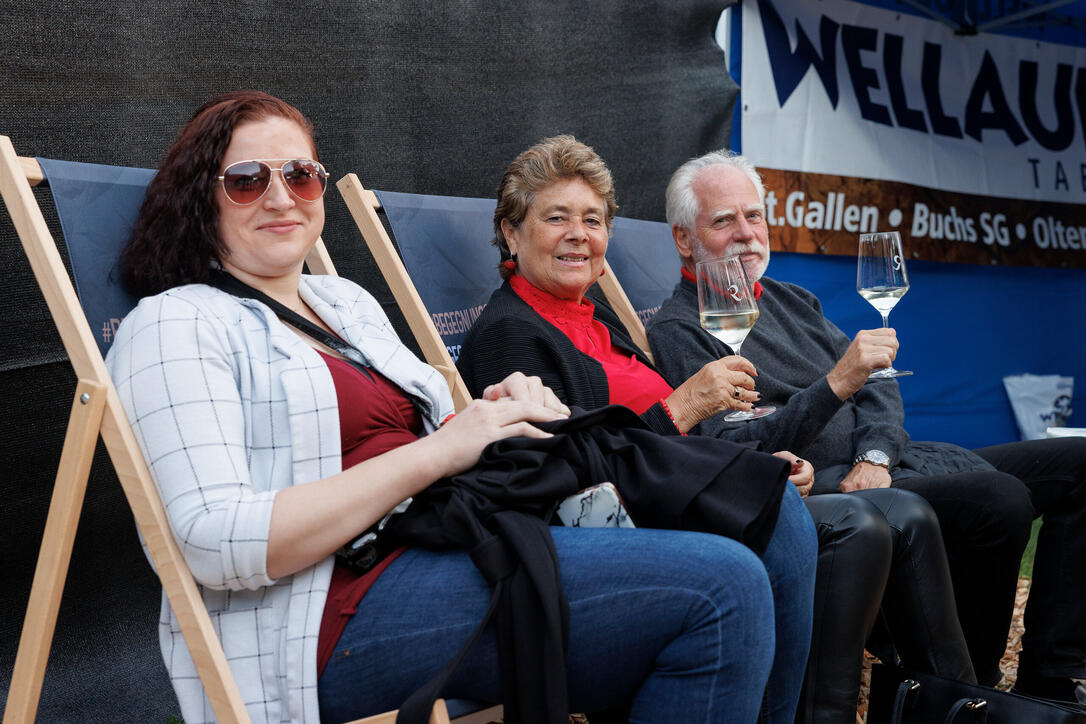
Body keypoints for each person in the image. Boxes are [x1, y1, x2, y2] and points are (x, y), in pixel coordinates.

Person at [105, 92, 786, 724]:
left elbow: (422, 446)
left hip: (437, 545)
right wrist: (441, 449)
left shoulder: (345, 305)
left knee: (764, 522)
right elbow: (217, 543)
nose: (282, 197)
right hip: (321, 614)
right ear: (203, 198)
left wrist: (491, 414)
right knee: (720, 592)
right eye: (248, 179)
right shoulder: (178, 324)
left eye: (302, 175)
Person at [457, 135, 972, 724]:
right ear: (511, 232)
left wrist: (752, 460)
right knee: (852, 520)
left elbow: (663, 441)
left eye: (594, 220)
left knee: (868, 504)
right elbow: (563, 470)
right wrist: (685, 408)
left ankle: (943, 700)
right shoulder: (510, 334)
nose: (580, 234)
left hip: (675, 492)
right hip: (618, 528)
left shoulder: (593, 320)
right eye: (556, 218)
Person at [647, 149, 1086, 705]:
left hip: (882, 466)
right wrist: (834, 385)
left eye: (753, 216)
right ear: (684, 239)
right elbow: (740, 452)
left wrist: (875, 453)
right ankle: (960, 694)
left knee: (1077, 463)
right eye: (722, 220)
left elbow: (876, 381)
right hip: (823, 488)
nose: (745, 234)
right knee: (995, 497)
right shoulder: (680, 330)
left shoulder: (792, 299)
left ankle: (1051, 674)